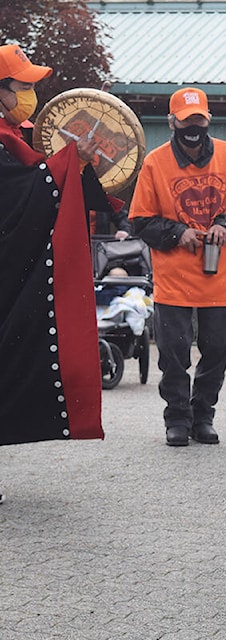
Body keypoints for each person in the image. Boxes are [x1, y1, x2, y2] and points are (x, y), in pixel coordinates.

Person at [0, 44, 106, 494]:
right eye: (22, 85)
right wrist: (63, 166)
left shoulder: (15, 136)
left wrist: (75, 165)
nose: (30, 93)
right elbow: (15, 195)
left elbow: (36, 184)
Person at [130, 87, 226, 447]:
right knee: (173, 354)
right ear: (172, 122)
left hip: (220, 279)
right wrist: (177, 232)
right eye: (186, 121)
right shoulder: (155, 163)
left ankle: (203, 415)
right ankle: (177, 419)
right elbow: (141, 220)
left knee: (217, 351)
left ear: (208, 121)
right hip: (174, 280)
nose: (193, 127)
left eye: (199, 120)